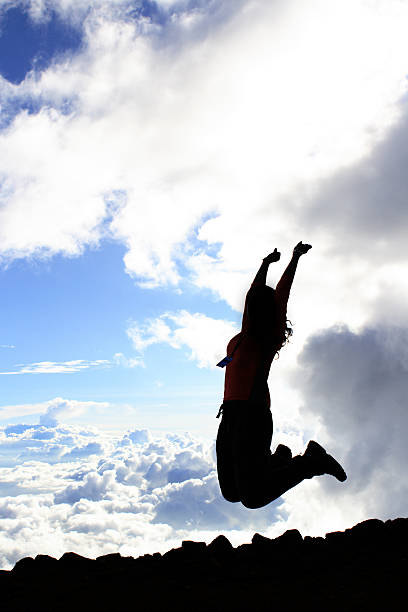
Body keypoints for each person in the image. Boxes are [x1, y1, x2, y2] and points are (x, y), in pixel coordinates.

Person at [216, 242, 347, 509]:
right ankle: (278, 461)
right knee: (231, 493)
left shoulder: (268, 338)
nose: (250, 304)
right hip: (229, 416)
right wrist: (265, 264)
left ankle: (312, 461)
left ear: (265, 311)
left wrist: (295, 258)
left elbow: (282, 293)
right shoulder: (244, 334)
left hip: (252, 417)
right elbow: (253, 293)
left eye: (256, 303)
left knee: (252, 498)